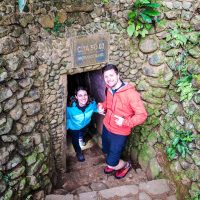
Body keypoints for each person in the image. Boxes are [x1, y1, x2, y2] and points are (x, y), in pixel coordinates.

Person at [98, 64, 147, 179]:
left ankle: (125, 165)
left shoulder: (131, 94)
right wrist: (102, 106)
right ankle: (112, 162)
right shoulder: (108, 89)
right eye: (106, 77)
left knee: (111, 162)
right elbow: (107, 104)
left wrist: (125, 122)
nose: (109, 79)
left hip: (120, 132)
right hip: (107, 126)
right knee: (105, 150)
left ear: (118, 75)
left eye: (111, 75)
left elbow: (142, 115)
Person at [66, 86, 98, 162]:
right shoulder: (70, 108)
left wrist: (99, 110)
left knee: (83, 132)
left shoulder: (92, 103)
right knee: (75, 139)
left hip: (86, 123)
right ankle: (78, 152)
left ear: (88, 95)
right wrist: (67, 127)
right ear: (76, 97)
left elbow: (95, 109)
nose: (83, 97)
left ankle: (81, 138)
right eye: (80, 95)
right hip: (74, 127)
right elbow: (67, 118)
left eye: (85, 95)